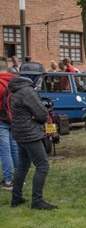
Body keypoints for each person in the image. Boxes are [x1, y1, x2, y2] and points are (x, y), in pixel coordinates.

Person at [8, 62, 56, 210]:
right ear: (33, 77)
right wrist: (40, 114)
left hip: (19, 133)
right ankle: (37, 201)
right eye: (39, 77)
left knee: (23, 166)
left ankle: (16, 198)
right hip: (30, 134)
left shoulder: (17, 90)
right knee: (42, 166)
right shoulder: (27, 91)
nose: (40, 79)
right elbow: (42, 114)